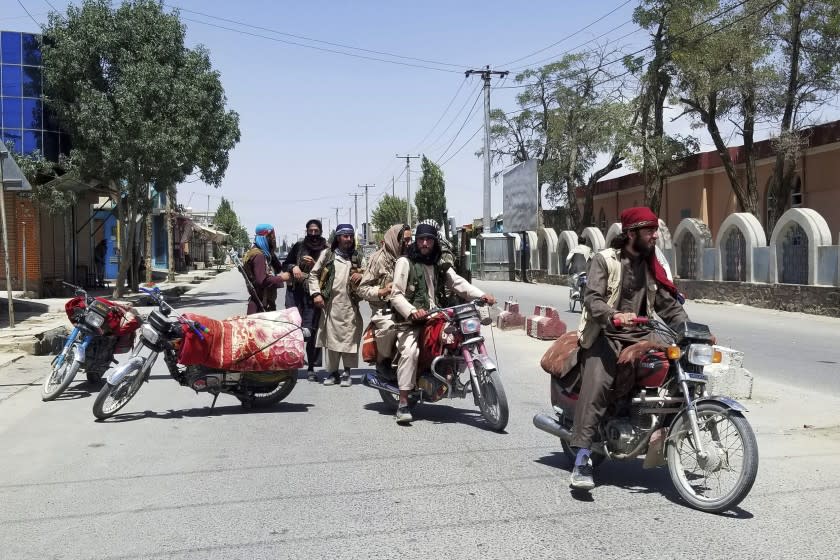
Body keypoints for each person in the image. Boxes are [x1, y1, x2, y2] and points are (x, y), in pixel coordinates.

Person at [570, 207, 688, 491]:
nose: (655, 236)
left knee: (676, 367)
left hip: (640, 335)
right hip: (606, 334)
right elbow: (592, 298)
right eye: (649, 231)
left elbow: (667, 305)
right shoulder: (605, 260)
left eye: (655, 230)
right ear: (631, 234)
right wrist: (613, 315)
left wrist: (690, 330)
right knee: (598, 384)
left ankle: (662, 434)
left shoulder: (650, 266)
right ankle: (582, 459)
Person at [390, 222, 496, 424]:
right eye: (420, 239)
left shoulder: (438, 263)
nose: (424, 243)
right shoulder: (405, 262)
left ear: (434, 242)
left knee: (456, 339)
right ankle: (403, 402)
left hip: (436, 316)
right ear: (415, 241)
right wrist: (412, 311)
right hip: (412, 321)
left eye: (428, 239)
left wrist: (482, 295)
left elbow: (457, 283)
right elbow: (396, 295)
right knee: (410, 352)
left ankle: (447, 375)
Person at [308, 224, 365, 387]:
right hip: (331, 305)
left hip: (350, 306)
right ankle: (333, 373)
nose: (348, 239)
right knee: (331, 341)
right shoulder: (328, 255)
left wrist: (361, 275)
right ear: (338, 238)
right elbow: (313, 274)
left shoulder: (357, 256)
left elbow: (369, 275)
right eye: (344, 236)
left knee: (349, 339)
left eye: (350, 236)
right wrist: (316, 294)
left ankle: (347, 372)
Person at [356, 224, 411, 362]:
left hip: (406, 305)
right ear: (395, 240)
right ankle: (383, 360)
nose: (409, 244)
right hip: (383, 309)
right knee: (389, 327)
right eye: (405, 240)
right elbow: (362, 289)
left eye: (410, 239)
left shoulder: (410, 257)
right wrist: (382, 291)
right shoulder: (378, 259)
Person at [283, 219, 329, 381]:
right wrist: (293, 267)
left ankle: (311, 367)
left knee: (312, 329)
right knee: (293, 327)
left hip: (314, 294)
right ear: (307, 231)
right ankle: (291, 363)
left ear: (321, 231)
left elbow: (330, 271)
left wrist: (316, 264)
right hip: (296, 293)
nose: (314, 234)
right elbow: (286, 263)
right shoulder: (299, 246)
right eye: (311, 231)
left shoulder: (326, 249)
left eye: (316, 231)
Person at [242, 224, 289, 315]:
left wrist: (271, 251)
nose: (274, 239)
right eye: (272, 236)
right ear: (265, 237)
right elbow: (261, 281)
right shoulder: (258, 255)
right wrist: (282, 278)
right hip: (261, 306)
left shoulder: (261, 253)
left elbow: (278, 268)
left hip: (264, 303)